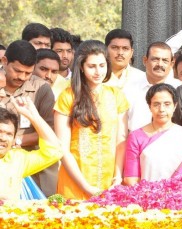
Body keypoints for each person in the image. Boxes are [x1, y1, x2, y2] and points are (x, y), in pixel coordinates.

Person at [54, 40, 129, 200]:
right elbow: (62, 148)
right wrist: (85, 186)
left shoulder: (116, 96)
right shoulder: (68, 96)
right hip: (74, 182)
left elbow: (121, 140)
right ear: (81, 67)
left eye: (102, 65)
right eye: (91, 66)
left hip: (110, 182)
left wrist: (118, 176)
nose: (98, 72)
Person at [0, 40, 57, 197]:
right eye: (17, 71)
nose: (22, 77)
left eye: (28, 73)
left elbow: (50, 133)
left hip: (31, 162)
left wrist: (13, 142)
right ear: (4, 61)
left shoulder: (42, 88)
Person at [124, 83, 182, 185]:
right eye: (156, 104)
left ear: (174, 106)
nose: (161, 109)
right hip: (147, 197)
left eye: (167, 104)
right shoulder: (136, 137)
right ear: (149, 107)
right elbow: (131, 179)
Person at [0, 97, 62, 200]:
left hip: (10, 215)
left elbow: (55, 151)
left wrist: (33, 116)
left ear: (14, 138)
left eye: (9, 134)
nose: (2, 138)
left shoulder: (17, 159)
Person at [127, 42, 182, 132]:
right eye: (155, 59)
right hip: (136, 144)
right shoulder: (129, 89)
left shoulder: (181, 89)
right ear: (145, 60)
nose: (160, 64)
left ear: (172, 64)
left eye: (165, 60)